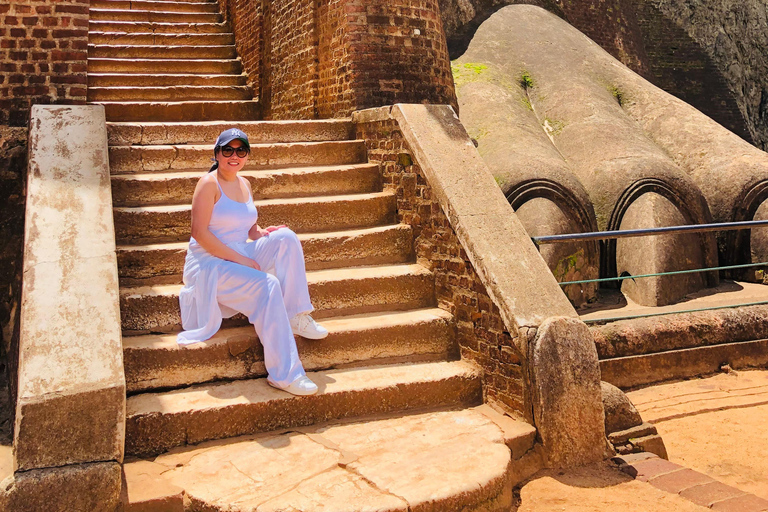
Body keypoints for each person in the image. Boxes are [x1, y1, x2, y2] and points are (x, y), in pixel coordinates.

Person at [176, 128, 327, 396]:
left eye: (240, 150)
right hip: (209, 264)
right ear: (218, 153)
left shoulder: (244, 184)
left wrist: (261, 234)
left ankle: (296, 315)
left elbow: (247, 225)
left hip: (238, 251)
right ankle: (285, 374)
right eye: (228, 150)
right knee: (267, 285)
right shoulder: (208, 184)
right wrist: (241, 259)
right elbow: (199, 233)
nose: (234, 155)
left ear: (246, 155)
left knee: (286, 238)